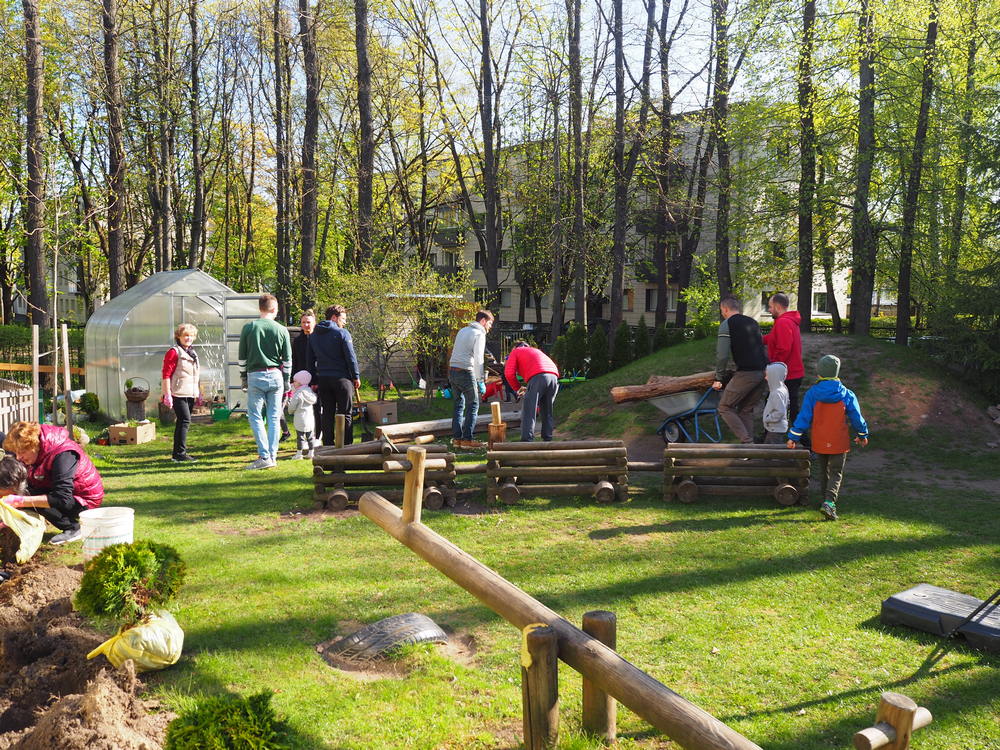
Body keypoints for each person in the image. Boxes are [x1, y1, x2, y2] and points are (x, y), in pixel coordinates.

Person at [787, 354, 870, 521]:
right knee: (836, 472)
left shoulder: (812, 394)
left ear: (819, 373)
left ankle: (824, 501)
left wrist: (793, 437)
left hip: (819, 439)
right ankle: (829, 502)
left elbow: (804, 417)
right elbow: (856, 417)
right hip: (838, 440)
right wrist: (862, 434)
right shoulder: (846, 394)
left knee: (823, 470)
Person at [1, 422, 105, 545]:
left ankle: (73, 527)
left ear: (33, 445)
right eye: (16, 452)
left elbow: (62, 497)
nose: (18, 457)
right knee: (26, 493)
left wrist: (20, 501)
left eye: (22, 452)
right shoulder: (38, 452)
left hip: (84, 500)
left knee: (31, 498)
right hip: (63, 493)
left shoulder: (63, 454)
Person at [239, 293, 292, 469]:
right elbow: (287, 360)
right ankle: (273, 456)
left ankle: (264, 456)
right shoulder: (282, 329)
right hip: (276, 375)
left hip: (255, 375)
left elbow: (242, 358)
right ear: (274, 309)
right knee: (274, 417)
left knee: (255, 416)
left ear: (260, 308)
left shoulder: (249, 328)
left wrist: (243, 377)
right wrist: (286, 380)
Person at [712, 296, 768, 444]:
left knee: (724, 406)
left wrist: (718, 378)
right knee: (745, 410)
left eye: (721, 310)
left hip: (747, 373)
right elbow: (761, 347)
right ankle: (750, 449)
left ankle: (747, 441)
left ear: (725, 309)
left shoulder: (727, 324)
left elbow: (722, 355)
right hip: (763, 372)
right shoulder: (753, 322)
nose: (722, 313)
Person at [308, 305, 361, 446]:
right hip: (342, 379)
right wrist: (356, 376)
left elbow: (310, 360)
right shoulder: (342, 333)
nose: (345, 322)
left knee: (327, 413)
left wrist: (314, 380)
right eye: (343, 319)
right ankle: (347, 445)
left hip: (323, 380)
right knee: (346, 413)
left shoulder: (313, 336)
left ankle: (328, 445)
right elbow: (351, 357)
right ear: (334, 318)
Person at [449, 310, 494, 449]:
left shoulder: (462, 330)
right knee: (473, 405)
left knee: (458, 404)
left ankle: (457, 439)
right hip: (465, 372)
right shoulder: (479, 334)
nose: (490, 327)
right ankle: (467, 440)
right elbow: (479, 359)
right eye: (490, 323)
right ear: (483, 321)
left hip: (452, 370)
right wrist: (480, 380)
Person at [504, 341, 560, 442]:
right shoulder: (534, 350)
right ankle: (548, 438)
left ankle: (527, 440)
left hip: (538, 375)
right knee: (547, 409)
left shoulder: (515, 351)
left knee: (529, 410)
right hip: (553, 376)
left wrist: (517, 388)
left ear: (514, 348)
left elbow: (509, 373)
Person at [763, 293, 805, 426]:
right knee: (787, 406)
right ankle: (796, 434)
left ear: (777, 307)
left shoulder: (783, 322)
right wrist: (756, 339)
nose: (769, 310)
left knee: (776, 406)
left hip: (787, 374)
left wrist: (772, 369)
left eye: (770, 307)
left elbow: (783, 349)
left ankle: (799, 436)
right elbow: (773, 338)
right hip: (792, 372)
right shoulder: (786, 321)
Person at [161, 323, 201, 463]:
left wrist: (198, 393)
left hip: (190, 393)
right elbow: (166, 374)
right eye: (185, 335)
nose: (188, 338)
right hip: (178, 393)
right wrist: (167, 394)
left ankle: (177, 454)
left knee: (182, 422)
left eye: (191, 336)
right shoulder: (174, 352)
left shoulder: (192, 352)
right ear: (179, 336)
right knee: (185, 420)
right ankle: (180, 454)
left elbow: (195, 375)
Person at [291, 309, 321, 446]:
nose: (306, 325)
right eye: (303, 322)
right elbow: (295, 360)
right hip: (302, 381)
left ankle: (317, 436)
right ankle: (303, 438)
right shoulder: (298, 341)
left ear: (314, 323)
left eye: (308, 322)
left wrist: (316, 380)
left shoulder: (319, 339)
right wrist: (294, 380)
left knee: (317, 408)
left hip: (317, 379)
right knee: (302, 410)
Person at [286, 370, 317, 460]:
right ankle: (311, 452)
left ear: (300, 383)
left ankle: (299, 454)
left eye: (295, 381)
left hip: (300, 418)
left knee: (300, 437)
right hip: (310, 419)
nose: (293, 383)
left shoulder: (298, 394)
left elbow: (292, 406)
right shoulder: (309, 391)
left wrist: (289, 408)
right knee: (310, 436)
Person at [762, 361, 789, 444]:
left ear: (774, 376)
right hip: (775, 428)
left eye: (768, 375)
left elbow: (780, 411)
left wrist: (768, 418)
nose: (766, 378)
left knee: (772, 450)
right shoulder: (782, 389)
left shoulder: (777, 393)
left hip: (775, 429)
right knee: (768, 449)